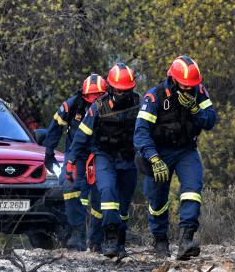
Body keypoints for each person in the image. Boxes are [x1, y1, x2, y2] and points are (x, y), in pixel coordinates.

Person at [134, 56, 217, 260]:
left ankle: (186, 239)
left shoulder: (199, 92)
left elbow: (210, 120)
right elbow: (141, 132)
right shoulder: (154, 97)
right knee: (158, 199)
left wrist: (195, 109)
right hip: (159, 152)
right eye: (184, 85)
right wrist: (153, 157)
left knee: (192, 189)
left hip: (186, 150)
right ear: (173, 79)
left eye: (191, 86)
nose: (188, 89)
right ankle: (160, 240)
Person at [67, 63, 140, 258]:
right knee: (107, 194)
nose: (122, 94)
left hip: (128, 159)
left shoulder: (139, 104)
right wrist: (71, 159)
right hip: (104, 157)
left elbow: (147, 132)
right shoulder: (98, 108)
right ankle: (109, 238)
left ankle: (120, 241)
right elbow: (81, 136)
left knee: (123, 205)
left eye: (125, 90)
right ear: (110, 87)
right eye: (118, 90)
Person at [42, 74, 106, 251]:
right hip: (76, 154)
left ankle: (97, 240)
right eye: (91, 97)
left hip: (100, 154)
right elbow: (55, 127)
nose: (94, 100)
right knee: (70, 188)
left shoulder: (110, 105)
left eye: (99, 96)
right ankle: (76, 234)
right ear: (84, 95)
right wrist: (49, 152)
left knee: (101, 195)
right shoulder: (71, 105)